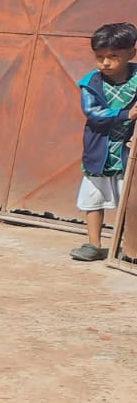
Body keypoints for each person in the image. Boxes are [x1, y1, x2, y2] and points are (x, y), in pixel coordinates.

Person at [73, 22, 137, 262]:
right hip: (99, 149)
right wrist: (125, 115)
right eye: (100, 57)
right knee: (93, 196)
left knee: (129, 201)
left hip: (127, 150)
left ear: (131, 53)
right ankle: (93, 245)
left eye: (113, 56)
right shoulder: (91, 83)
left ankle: (125, 247)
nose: (105, 63)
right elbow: (93, 113)